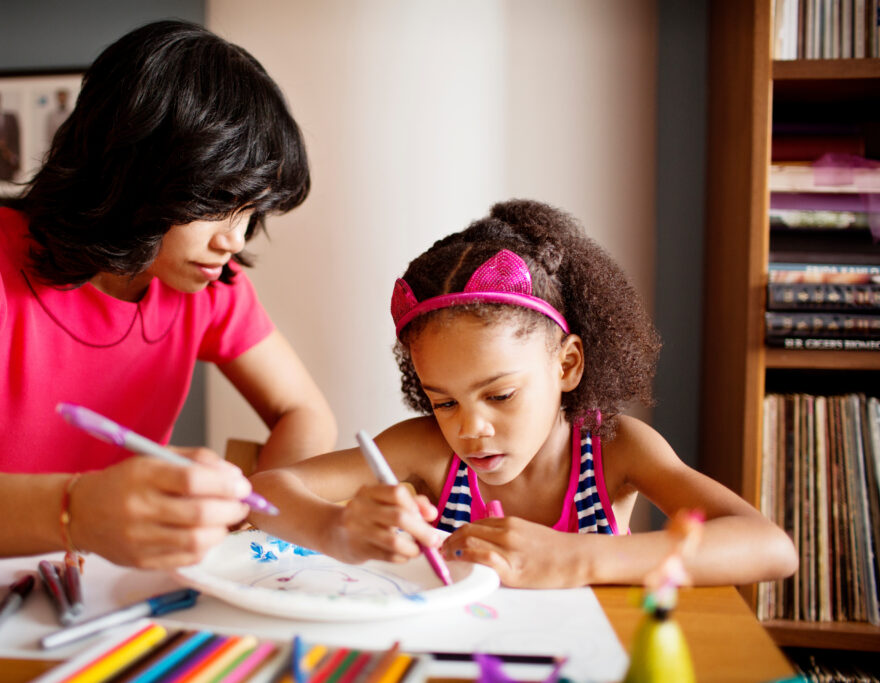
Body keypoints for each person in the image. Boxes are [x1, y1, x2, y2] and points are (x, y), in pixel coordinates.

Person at [0, 20, 336, 570]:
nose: (236, 239)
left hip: (107, 589)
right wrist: (77, 511)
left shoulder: (210, 283)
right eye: (218, 201)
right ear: (132, 170)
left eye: (252, 212)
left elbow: (302, 411)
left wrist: (261, 514)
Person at [250, 199, 797, 588]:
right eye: (444, 401)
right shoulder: (427, 452)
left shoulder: (618, 450)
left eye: (501, 395)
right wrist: (341, 525)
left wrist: (579, 558)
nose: (469, 429)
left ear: (567, 364)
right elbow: (263, 490)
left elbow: (769, 547)